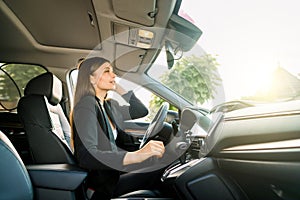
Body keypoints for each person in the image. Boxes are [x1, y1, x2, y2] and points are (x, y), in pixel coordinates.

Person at [70, 57, 165, 199]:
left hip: (114, 173)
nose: (113, 75)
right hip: (103, 185)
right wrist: (136, 156)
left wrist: (118, 88)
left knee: (161, 165)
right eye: (107, 71)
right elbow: (86, 156)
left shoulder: (108, 106)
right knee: (161, 172)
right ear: (91, 79)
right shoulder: (86, 106)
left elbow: (140, 110)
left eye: (112, 71)